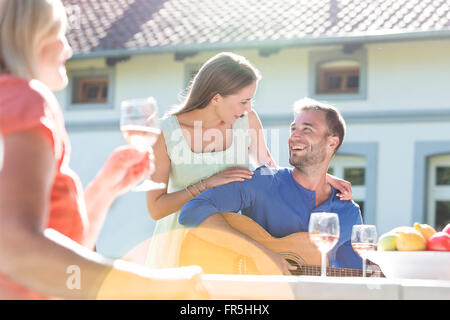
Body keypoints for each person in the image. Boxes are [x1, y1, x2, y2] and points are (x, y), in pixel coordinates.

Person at [0, 0, 207, 300]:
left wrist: (103, 189)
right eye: (62, 34)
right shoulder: (26, 100)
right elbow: (17, 249)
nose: (69, 50)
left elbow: (56, 256)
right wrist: (153, 286)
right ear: (34, 37)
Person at [145, 52, 354, 269]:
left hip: (231, 240)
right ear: (216, 98)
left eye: (251, 100)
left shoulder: (246, 121)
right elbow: (156, 208)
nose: (248, 108)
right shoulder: (164, 132)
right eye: (243, 101)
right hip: (179, 239)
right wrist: (207, 183)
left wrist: (319, 177)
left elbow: (269, 171)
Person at [179, 97, 363, 275]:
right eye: (293, 129)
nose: (293, 137)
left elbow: (353, 280)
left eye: (307, 130)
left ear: (332, 142)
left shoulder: (348, 212)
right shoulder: (264, 182)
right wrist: (258, 253)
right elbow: (192, 210)